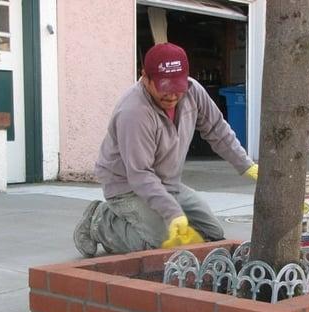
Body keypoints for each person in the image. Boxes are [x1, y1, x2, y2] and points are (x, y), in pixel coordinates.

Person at [73, 42, 258, 257]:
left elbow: (217, 129)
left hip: (168, 183)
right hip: (126, 187)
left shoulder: (193, 91)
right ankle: (102, 221)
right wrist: (172, 213)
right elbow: (140, 174)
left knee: (212, 233)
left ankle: (154, 220)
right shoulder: (133, 112)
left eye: (177, 88)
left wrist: (246, 165)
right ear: (145, 78)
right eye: (164, 88)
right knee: (163, 245)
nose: (171, 96)